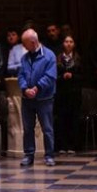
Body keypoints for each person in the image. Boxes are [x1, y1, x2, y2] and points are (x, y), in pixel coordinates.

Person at [18, 29, 57, 167]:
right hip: (27, 99)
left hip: (44, 99)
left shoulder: (49, 56)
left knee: (47, 128)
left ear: (33, 42)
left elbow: (50, 76)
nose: (23, 46)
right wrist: (24, 88)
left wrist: (37, 88)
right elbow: (21, 75)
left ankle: (49, 155)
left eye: (25, 43)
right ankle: (28, 155)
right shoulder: (24, 58)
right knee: (28, 128)